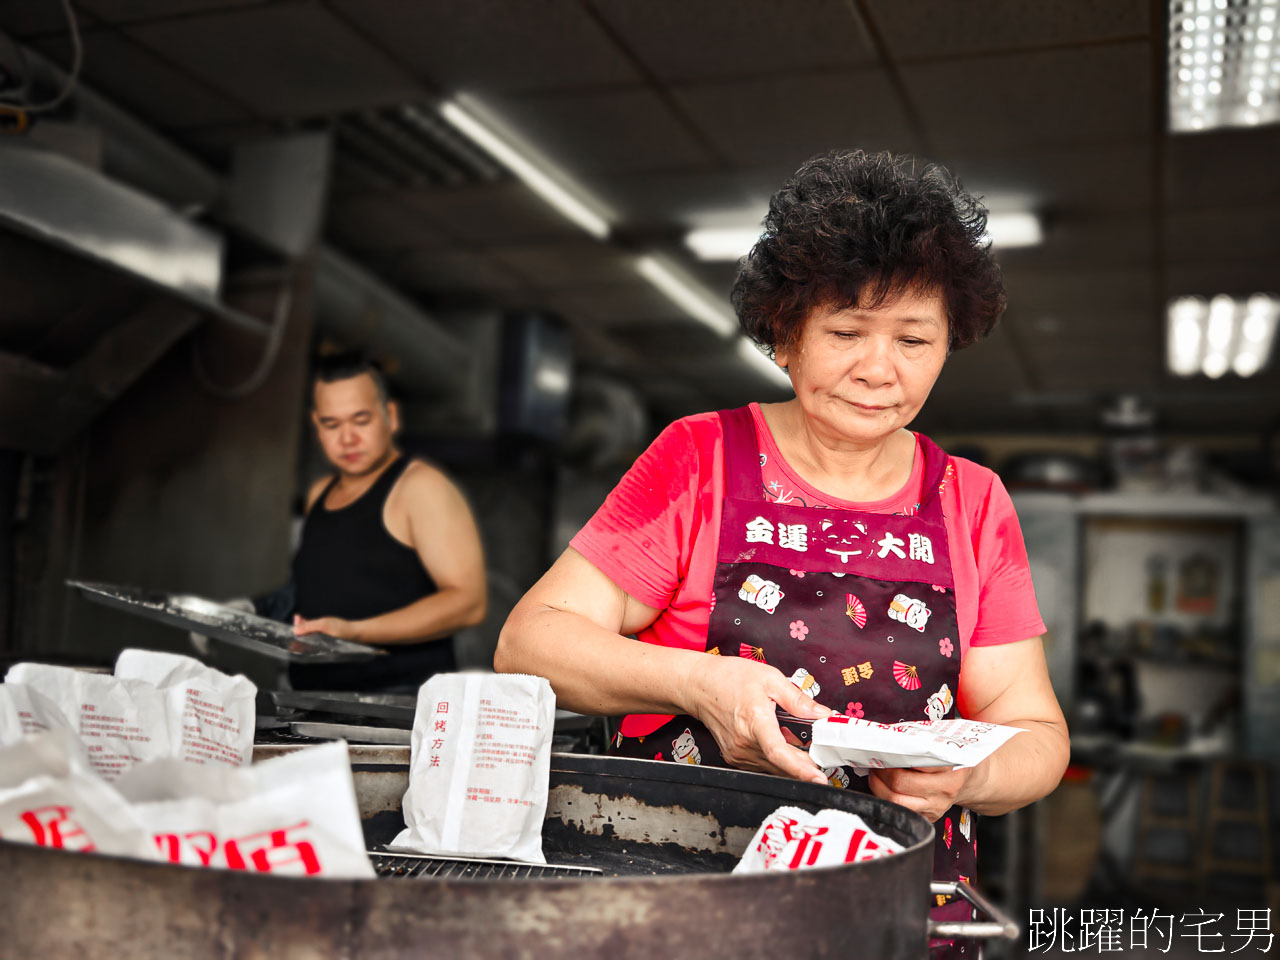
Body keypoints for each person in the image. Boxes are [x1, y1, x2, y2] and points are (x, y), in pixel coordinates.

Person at [495, 150, 1068, 954]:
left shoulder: (970, 501)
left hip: (899, 913)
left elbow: (1037, 731)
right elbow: (529, 643)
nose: (879, 370)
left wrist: (973, 778)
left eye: (914, 338)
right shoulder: (700, 459)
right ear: (784, 336)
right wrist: (699, 683)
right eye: (844, 332)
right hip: (691, 901)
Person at [286, 353, 487, 691]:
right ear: (317, 426)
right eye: (332, 424)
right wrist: (251, 610)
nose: (347, 438)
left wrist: (355, 632)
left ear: (390, 416)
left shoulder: (420, 487)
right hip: (315, 704)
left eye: (360, 420)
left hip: (397, 709)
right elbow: (321, 589)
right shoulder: (319, 493)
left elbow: (468, 604)